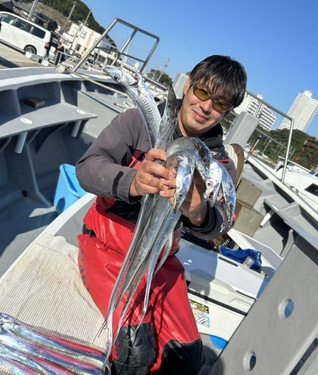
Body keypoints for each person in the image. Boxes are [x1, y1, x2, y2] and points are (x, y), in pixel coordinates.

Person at [76, 55, 247, 374]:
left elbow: (219, 222)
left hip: (160, 259)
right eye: (202, 92)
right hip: (105, 245)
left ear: (227, 111)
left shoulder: (217, 162)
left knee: (188, 360)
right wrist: (133, 181)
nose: (206, 106)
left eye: (220, 102)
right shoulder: (138, 123)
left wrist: (197, 212)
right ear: (187, 86)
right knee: (135, 354)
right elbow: (87, 168)